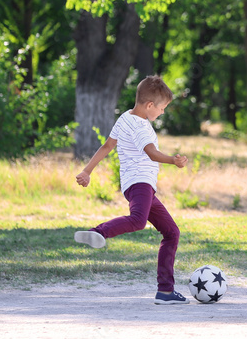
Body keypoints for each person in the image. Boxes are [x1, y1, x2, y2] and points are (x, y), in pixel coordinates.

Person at [73, 75, 191, 304]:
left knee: (171, 232)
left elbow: (107, 146)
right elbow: (152, 154)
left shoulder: (125, 118)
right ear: (149, 105)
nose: (163, 113)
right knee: (138, 220)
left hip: (135, 185)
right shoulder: (142, 128)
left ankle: (165, 292)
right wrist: (173, 161)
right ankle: (98, 232)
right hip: (141, 183)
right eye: (162, 108)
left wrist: (87, 171)